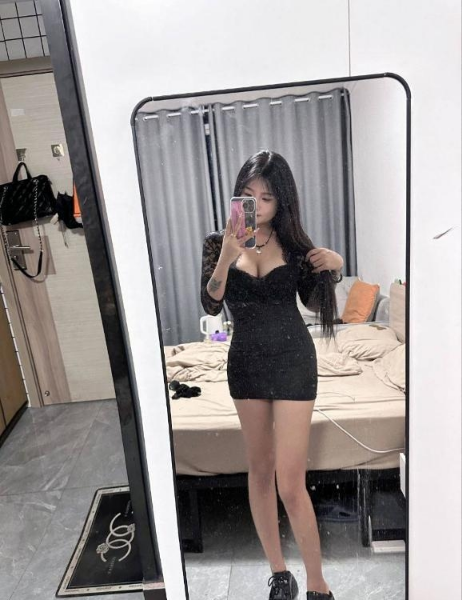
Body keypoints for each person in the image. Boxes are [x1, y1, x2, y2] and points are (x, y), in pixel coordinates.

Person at [200, 150, 343, 600]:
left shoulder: (296, 246)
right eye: (248, 196)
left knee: (290, 482)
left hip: (293, 361)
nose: (258, 206)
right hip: (245, 363)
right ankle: (280, 575)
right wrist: (226, 257)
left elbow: (316, 304)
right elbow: (210, 303)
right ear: (236, 197)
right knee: (259, 473)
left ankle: (318, 585)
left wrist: (333, 269)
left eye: (267, 198)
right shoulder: (217, 242)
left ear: (281, 201)